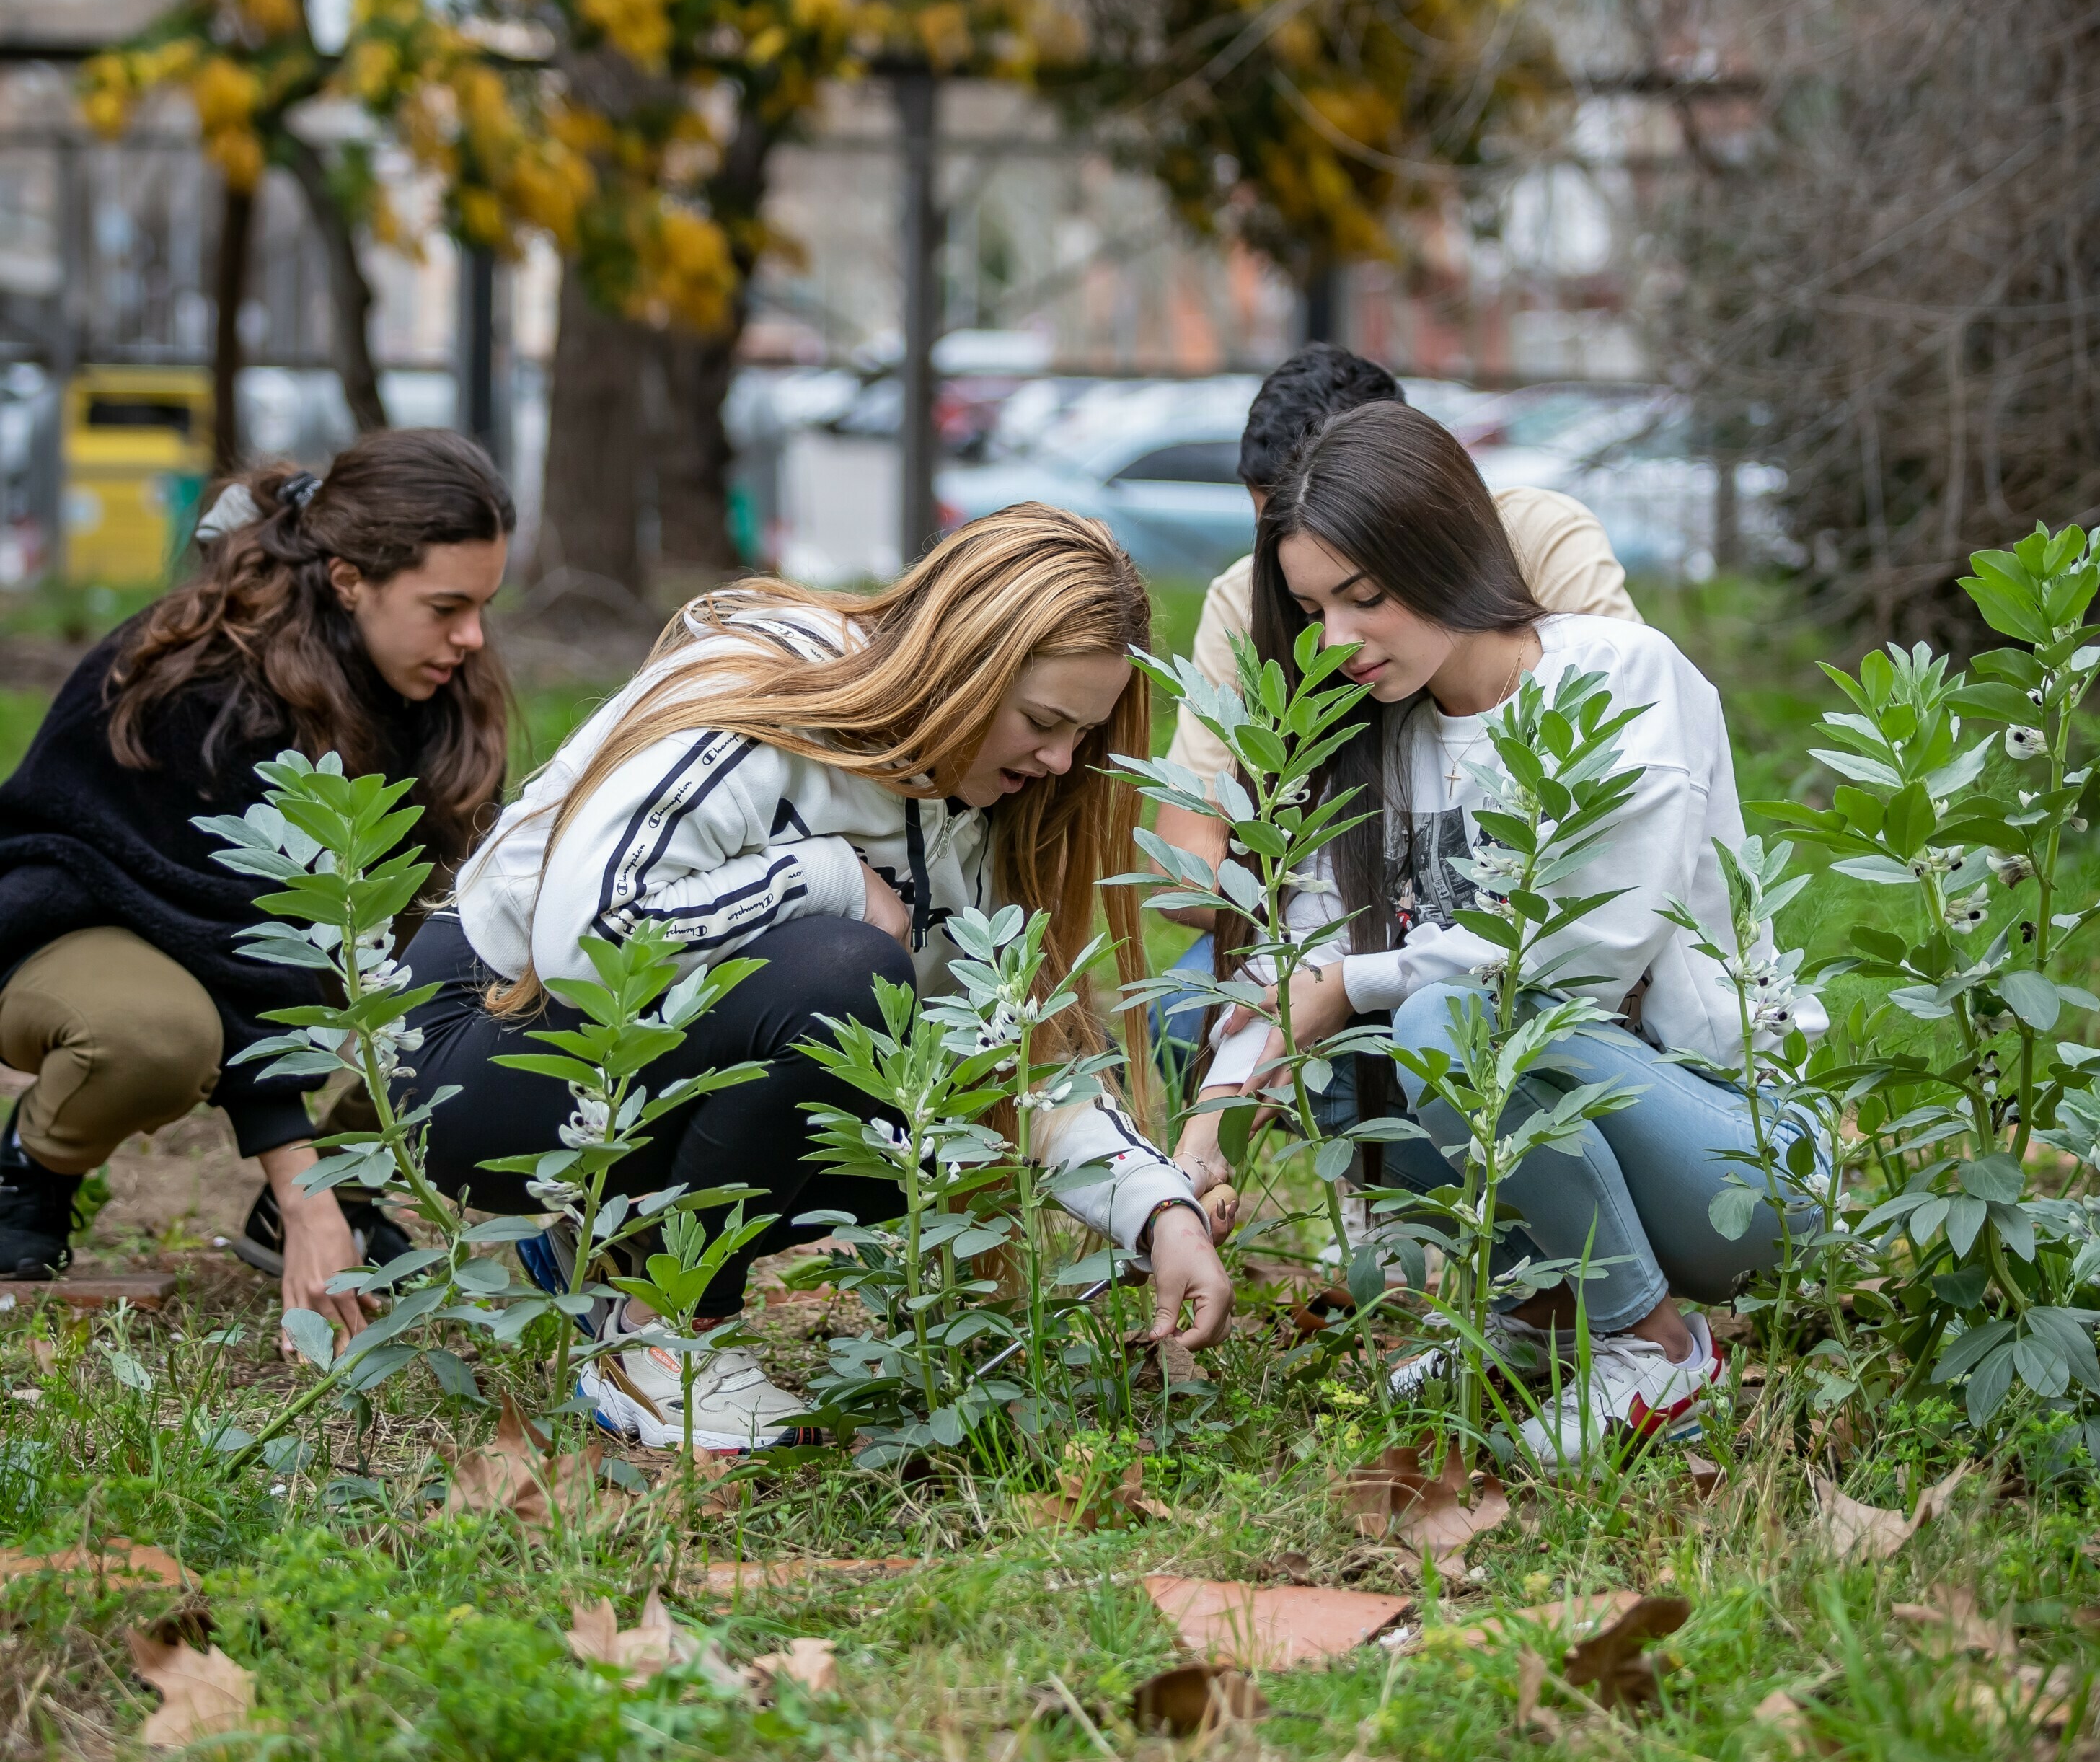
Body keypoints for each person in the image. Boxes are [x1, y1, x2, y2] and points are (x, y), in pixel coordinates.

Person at [401, 504, 1232, 1453]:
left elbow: (1015, 1066)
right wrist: (822, 879)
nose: (1058, 761)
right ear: (965, 667)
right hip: (475, 1045)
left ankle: (605, 1244)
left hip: (616, 1066)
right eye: (1043, 722)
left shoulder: (980, 797)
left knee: (936, 1125)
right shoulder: (767, 697)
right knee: (846, 973)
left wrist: (1159, 1209)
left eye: (1080, 736)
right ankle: (666, 1335)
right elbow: (584, 942)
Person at [1171, 400, 1817, 1467]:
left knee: (1437, 1016)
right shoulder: (1378, 747)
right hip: (1592, 1131)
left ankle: (1657, 1347)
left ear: (1445, 548)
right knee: (1358, 1036)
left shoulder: (1618, 676)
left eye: (1365, 597)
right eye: (1312, 608)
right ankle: (1545, 1317)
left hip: (1732, 1161)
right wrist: (1209, 1133)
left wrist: (1346, 982)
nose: (1337, 641)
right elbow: (1300, 958)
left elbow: (1580, 948)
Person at [0, 432, 513, 1339]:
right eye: (446, 607)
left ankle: (337, 1200)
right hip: (86, 928)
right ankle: (33, 1168)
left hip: (256, 948)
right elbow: (229, 936)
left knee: (497, 980)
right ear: (350, 578)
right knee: (154, 1035)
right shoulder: (202, 680)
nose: (470, 638)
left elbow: (465, 909)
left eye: (481, 606)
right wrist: (293, 1169)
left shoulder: (434, 689)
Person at [1152, 345, 1636, 1078]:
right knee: (1189, 1016)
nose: (1295, 570)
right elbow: (1183, 871)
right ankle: (1371, 1178)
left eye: (1362, 586)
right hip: (1346, 910)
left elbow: (1631, 772)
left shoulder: (1539, 537)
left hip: (1523, 910)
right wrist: (1334, 921)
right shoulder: (1246, 599)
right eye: (1274, 536)